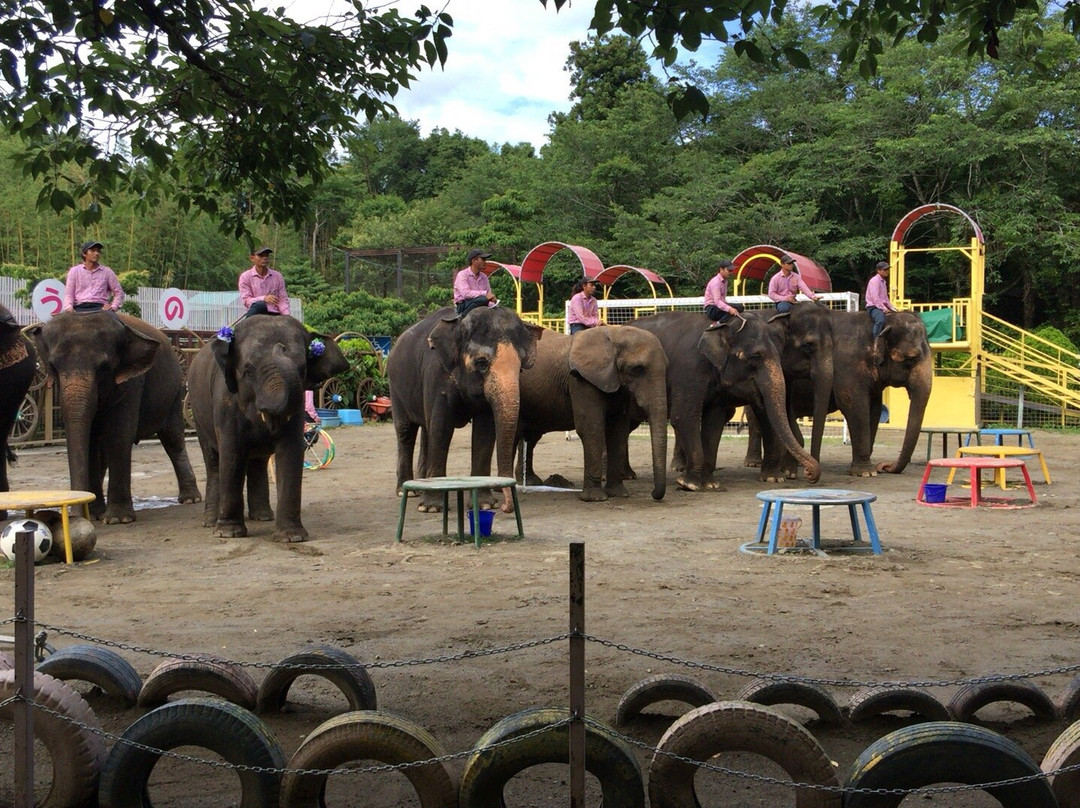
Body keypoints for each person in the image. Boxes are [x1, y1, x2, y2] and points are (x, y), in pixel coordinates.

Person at [63, 241, 124, 312]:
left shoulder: (107, 272)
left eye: (98, 251)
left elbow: (119, 292)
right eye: (92, 251)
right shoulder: (74, 271)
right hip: (79, 307)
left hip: (101, 308)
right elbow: (69, 294)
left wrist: (113, 306)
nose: (96, 253)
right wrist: (69, 307)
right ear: (84, 254)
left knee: (117, 322)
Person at [239, 247, 290, 317]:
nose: (265, 258)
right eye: (261, 255)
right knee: (260, 305)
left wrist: (287, 316)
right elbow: (247, 301)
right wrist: (264, 298)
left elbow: (283, 299)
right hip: (256, 313)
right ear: (252, 258)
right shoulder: (245, 276)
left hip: (274, 313)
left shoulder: (278, 276)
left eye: (266, 255)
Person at [866, 260, 900, 362]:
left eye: (887, 269)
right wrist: (884, 309)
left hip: (880, 305)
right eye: (885, 270)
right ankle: (875, 341)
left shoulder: (883, 281)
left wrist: (893, 309)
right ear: (879, 270)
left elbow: (885, 299)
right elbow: (875, 298)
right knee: (880, 319)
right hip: (873, 307)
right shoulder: (874, 281)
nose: (887, 271)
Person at [453, 249, 497, 316]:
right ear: (474, 261)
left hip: (480, 303)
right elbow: (466, 293)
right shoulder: (462, 275)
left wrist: (493, 302)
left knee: (486, 301)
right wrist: (485, 294)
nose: (485, 262)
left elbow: (488, 294)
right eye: (483, 259)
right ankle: (462, 316)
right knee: (483, 299)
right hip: (464, 304)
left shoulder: (484, 277)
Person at [703, 260, 744, 324]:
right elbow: (717, 301)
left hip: (717, 307)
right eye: (729, 270)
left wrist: (730, 308)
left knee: (740, 307)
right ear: (721, 269)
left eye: (731, 270)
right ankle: (718, 323)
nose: (731, 272)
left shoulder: (725, 281)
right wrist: (730, 309)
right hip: (712, 309)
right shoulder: (716, 282)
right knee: (735, 308)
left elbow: (722, 300)